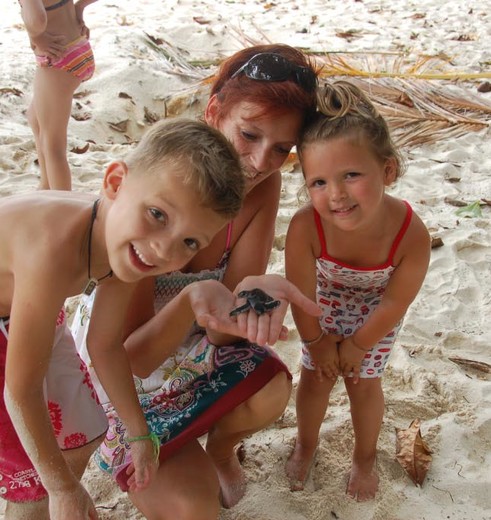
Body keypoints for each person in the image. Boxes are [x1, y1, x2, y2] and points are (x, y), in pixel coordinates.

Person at [72, 44, 320, 518]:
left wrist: (251, 299)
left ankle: (219, 451)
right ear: (214, 111)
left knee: (270, 386)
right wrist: (194, 299)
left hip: (186, 344)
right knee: (192, 509)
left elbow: (219, 330)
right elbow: (134, 358)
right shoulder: (159, 189)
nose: (261, 161)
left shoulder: (263, 186)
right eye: (248, 135)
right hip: (120, 366)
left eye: (281, 149)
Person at [0, 118, 248, 520]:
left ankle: (53, 501)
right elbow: (21, 390)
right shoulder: (52, 249)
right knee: (32, 476)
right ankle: (39, 505)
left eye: (189, 242)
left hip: (24, 312)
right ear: (115, 182)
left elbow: (105, 344)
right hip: (18, 312)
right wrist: (62, 487)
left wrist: (138, 434)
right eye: (157, 214)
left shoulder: (122, 247)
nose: (163, 250)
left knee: (84, 427)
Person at [284, 81, 431, 501]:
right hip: (321, 307)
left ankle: (364, 456)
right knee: (314, 378)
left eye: (351, 175)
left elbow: (397, 300)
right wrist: (318, 340)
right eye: (318, 182)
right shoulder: (304, 226)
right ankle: (306, 443)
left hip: (378, 313)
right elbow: (300, 293)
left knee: (363, 385)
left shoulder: (410, 232)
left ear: (387, 170)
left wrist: (359, 345)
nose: (337, 195)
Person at [19, 0, 98, 190]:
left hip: (58, 59)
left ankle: (61, 205)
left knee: (53, 145)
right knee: (35, 117)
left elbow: (37, 19)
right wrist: (79, 7)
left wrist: (37, 37)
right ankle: (46, 186)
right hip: (78, 46)